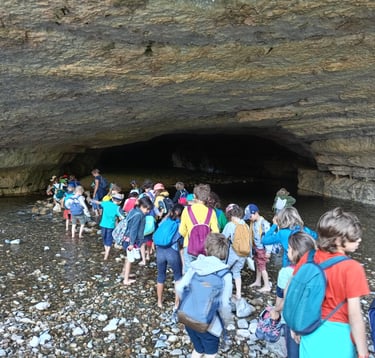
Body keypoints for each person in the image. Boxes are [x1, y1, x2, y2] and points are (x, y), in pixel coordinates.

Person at [292, 207, 369, 358]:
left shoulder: (308, 258)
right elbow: (355, 315)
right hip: (338, 335)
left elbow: (293, 292)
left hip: (309, 328)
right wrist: (363, 352)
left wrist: (294, 325)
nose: (359, 239)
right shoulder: (352, 268)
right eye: (354, 236)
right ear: (338, 240)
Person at [176, 233, 233, 358]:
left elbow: (179, 287)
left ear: (206, 249)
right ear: (224, 252)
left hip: (187, 318)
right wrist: (227, 322)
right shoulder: (225, 274)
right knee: (210, 354)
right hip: (209, 325)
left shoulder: (196, 265)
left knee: (198, 349)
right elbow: (224, 305)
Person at [269, 231, 316, 358]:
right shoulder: (317, 272)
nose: (287, 250)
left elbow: (282, 299)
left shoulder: (285, 273)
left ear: (296, 252)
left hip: (290, 322)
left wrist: (276, 311)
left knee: (293, 353)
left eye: (289, 248)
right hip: (312, 323)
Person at [179, 183, 219, 273]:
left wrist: (190, 236)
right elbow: (216, 231)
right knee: (204, 272)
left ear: (194, 196)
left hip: (189, 246)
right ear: (207, 197)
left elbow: (181, 230)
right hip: (205, 248)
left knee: (189, 273)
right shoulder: (211, 212)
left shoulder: (187, 210)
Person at [155, 203, 184, 309]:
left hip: (160, 251)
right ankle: (176, 304)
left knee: (161, 276)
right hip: (172, 252)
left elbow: (158, 228)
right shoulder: (180, 224)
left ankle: (159, 302)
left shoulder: (165, 221)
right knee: (178, 277)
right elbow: (181, 241)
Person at [121, 196, 154, 285]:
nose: (148, 212)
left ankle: (124, 273)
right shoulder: (139, 215)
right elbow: (134, 230)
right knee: (129, 259)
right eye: (147, 209)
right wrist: (132, 243)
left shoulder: (133, 210)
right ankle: (126, 280)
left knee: (127, 257)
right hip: (130, 240)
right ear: (142, 207)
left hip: (126, 238)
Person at [222, 203, 248, 301]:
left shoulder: (230, 225)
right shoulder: (245, 224)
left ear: (229, 214)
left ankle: (225, 292)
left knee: (224, 270)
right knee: (237, 273)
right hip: (244, 253)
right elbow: (248, 240)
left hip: (233, 252)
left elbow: (223, 237)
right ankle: (238, 295)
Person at [244, 203, 272, 293]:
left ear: (256, 213)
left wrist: (268, 251)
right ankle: (258, 281)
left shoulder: (264, 223)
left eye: (250, 216)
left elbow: (269, 238)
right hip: (256, 248)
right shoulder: (253, 222)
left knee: (262, 267)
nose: (249, 218)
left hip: (262, 249)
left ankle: (267, 285)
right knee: (258, 264)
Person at [91, 193, 125, 260]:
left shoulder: (106, 203)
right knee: (109, 239)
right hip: (110, 226)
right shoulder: (118, 208)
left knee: (104, 238)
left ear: (112, 199)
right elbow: (122, 217)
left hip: (103, 224)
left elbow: (98, 202)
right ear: (120, 202)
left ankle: (106, 253)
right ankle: (106, 253)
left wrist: (91, 200)